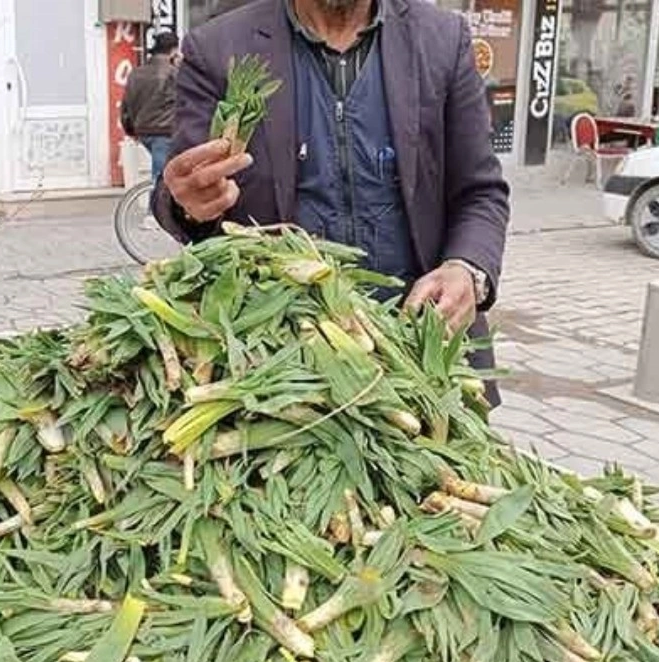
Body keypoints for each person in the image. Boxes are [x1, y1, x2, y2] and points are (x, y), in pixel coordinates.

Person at [152, 0, 510, 404]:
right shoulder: (218, 48)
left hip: (424, 356)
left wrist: (466, 268)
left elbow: (480, 191)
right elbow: (182, 190)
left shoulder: (442, 40)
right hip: (285, 373)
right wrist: (189, 204)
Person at [122, 32, 181, 194]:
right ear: (174, 50)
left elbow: (126, 105)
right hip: (164, 131)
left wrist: (131, 130)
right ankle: (155, 209)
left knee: (166, 175)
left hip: (143, 132)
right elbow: (185, 101)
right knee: (161, 179)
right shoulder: (173, 73)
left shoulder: (136, 73)